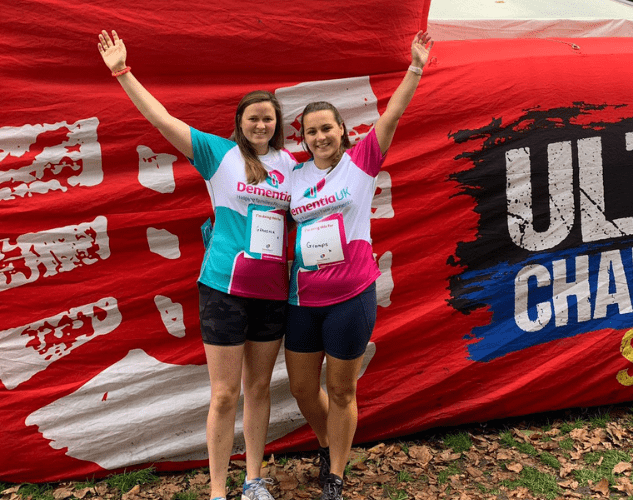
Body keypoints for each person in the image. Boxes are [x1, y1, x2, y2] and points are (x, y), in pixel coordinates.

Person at [97, 30, 295, 500]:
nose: (261, 125)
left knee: (261, 388)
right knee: (226, 394)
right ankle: (218, 491)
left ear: (277, 123)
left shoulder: (294, 165)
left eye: (268, 118)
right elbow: (161, 118)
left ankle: (253, 481)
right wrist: (122, 71)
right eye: (253, 118)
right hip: (223, 288)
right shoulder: (217, 153)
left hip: (271, 291)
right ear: (240, 123)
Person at [285, 30, 433, 500]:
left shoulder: (361, 162)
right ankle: (331, 444)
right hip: (301, 298)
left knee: (342, 390)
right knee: (304, 390)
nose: (320, 136)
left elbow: (392, 115)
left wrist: (415, 67)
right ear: (303, 139)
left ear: (342, 130)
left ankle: (335, 474)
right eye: (311, 131)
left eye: (327, 128)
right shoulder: (293, 173)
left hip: (351, 295)